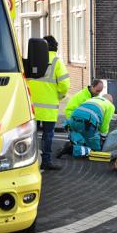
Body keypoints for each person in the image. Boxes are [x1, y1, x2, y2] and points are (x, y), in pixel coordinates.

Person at [27, 35, 70, 171]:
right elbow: (64, 84)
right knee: (48, 135)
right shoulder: (57, 61)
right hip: (49, 107)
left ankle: (28, 161)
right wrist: (59, 96)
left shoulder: (32, 60)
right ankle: (46, 161)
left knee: (30, 134)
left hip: (31, 105)